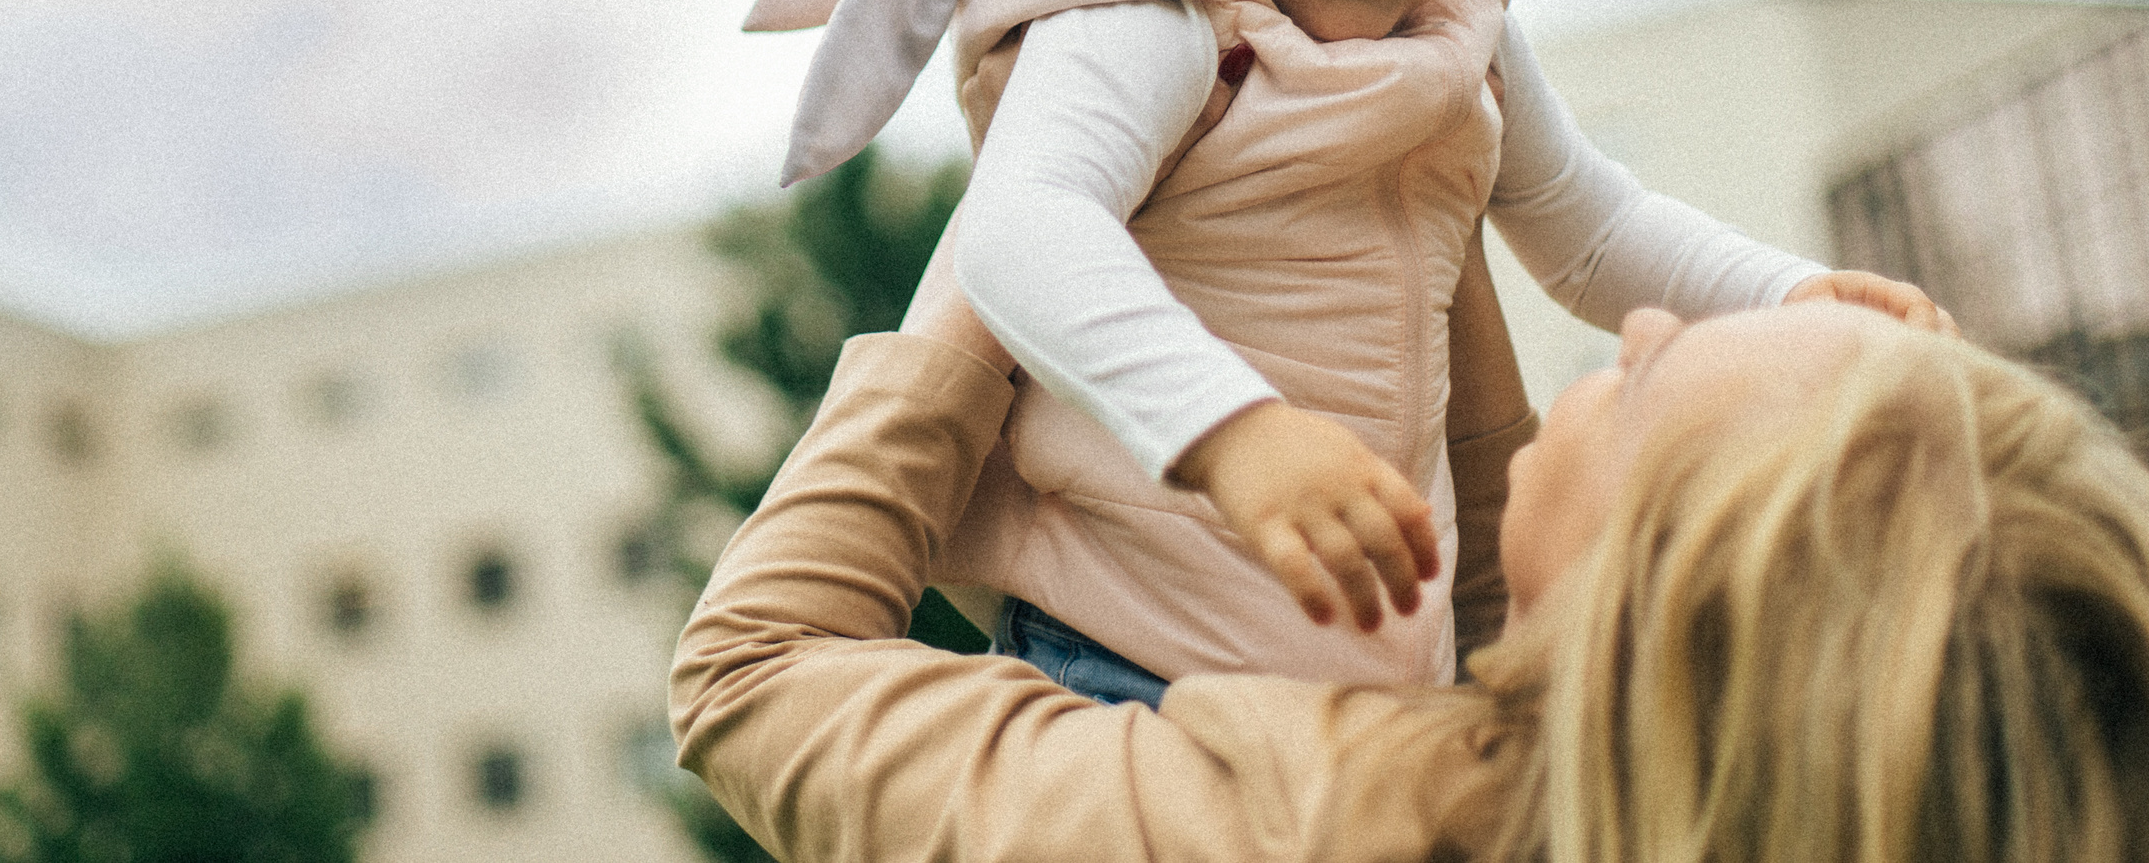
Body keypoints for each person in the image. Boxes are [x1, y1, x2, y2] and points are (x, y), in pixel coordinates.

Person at [747, 0, 1949, 699]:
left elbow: (1592, 231)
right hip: (1132, 661)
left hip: (1373, 667)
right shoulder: (1157, 22)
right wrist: (1233, 434)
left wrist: (1790, 298)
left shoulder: (1461, 33)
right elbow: (1023, 230)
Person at [670, 290, 2149, 863]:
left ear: (1623, 636)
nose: (1637, 317)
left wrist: (1006, 261)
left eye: (1642, 378)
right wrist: (1427, 235)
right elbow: (1514, 621)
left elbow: (750, 674)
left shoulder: (1320, 826)